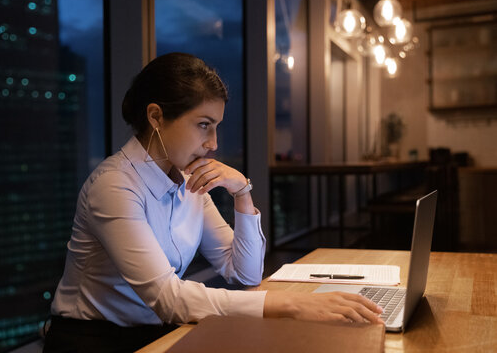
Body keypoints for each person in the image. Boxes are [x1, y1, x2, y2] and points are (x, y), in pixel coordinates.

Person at [43, 52, 383, 353]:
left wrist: (242, 192)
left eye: (217, 127)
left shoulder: (189, 182)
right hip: (93, 341)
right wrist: (291, 304)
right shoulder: (114, 186)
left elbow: (245, 274)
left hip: (158, 333)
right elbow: (168, 299)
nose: (213, 143)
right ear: (156, 116)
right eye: (204, 125)